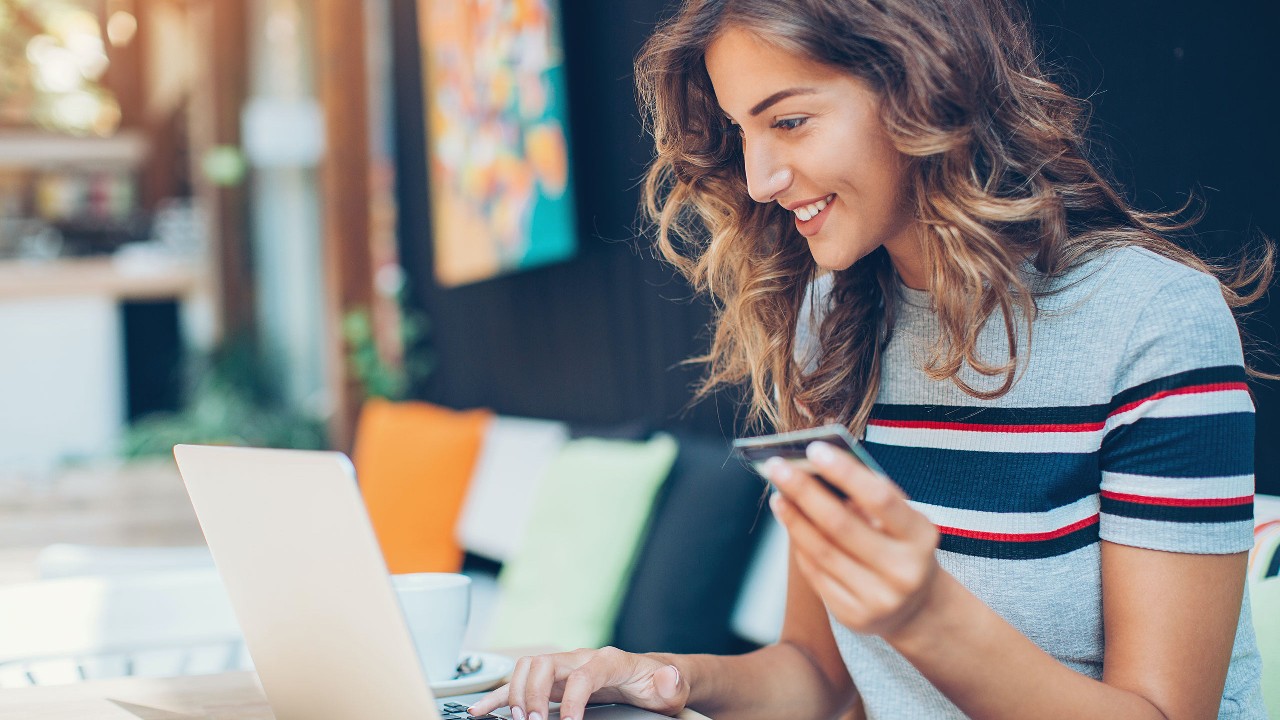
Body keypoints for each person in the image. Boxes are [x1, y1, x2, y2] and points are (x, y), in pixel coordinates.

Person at [468, 0, 1274, 718]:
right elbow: (822, 678)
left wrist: (924, 614)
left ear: (921, 86)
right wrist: (660, 675)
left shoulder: (1152, 321)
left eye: (788, 122)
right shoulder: (833, 319)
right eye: (741, 132)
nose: (759, 180)